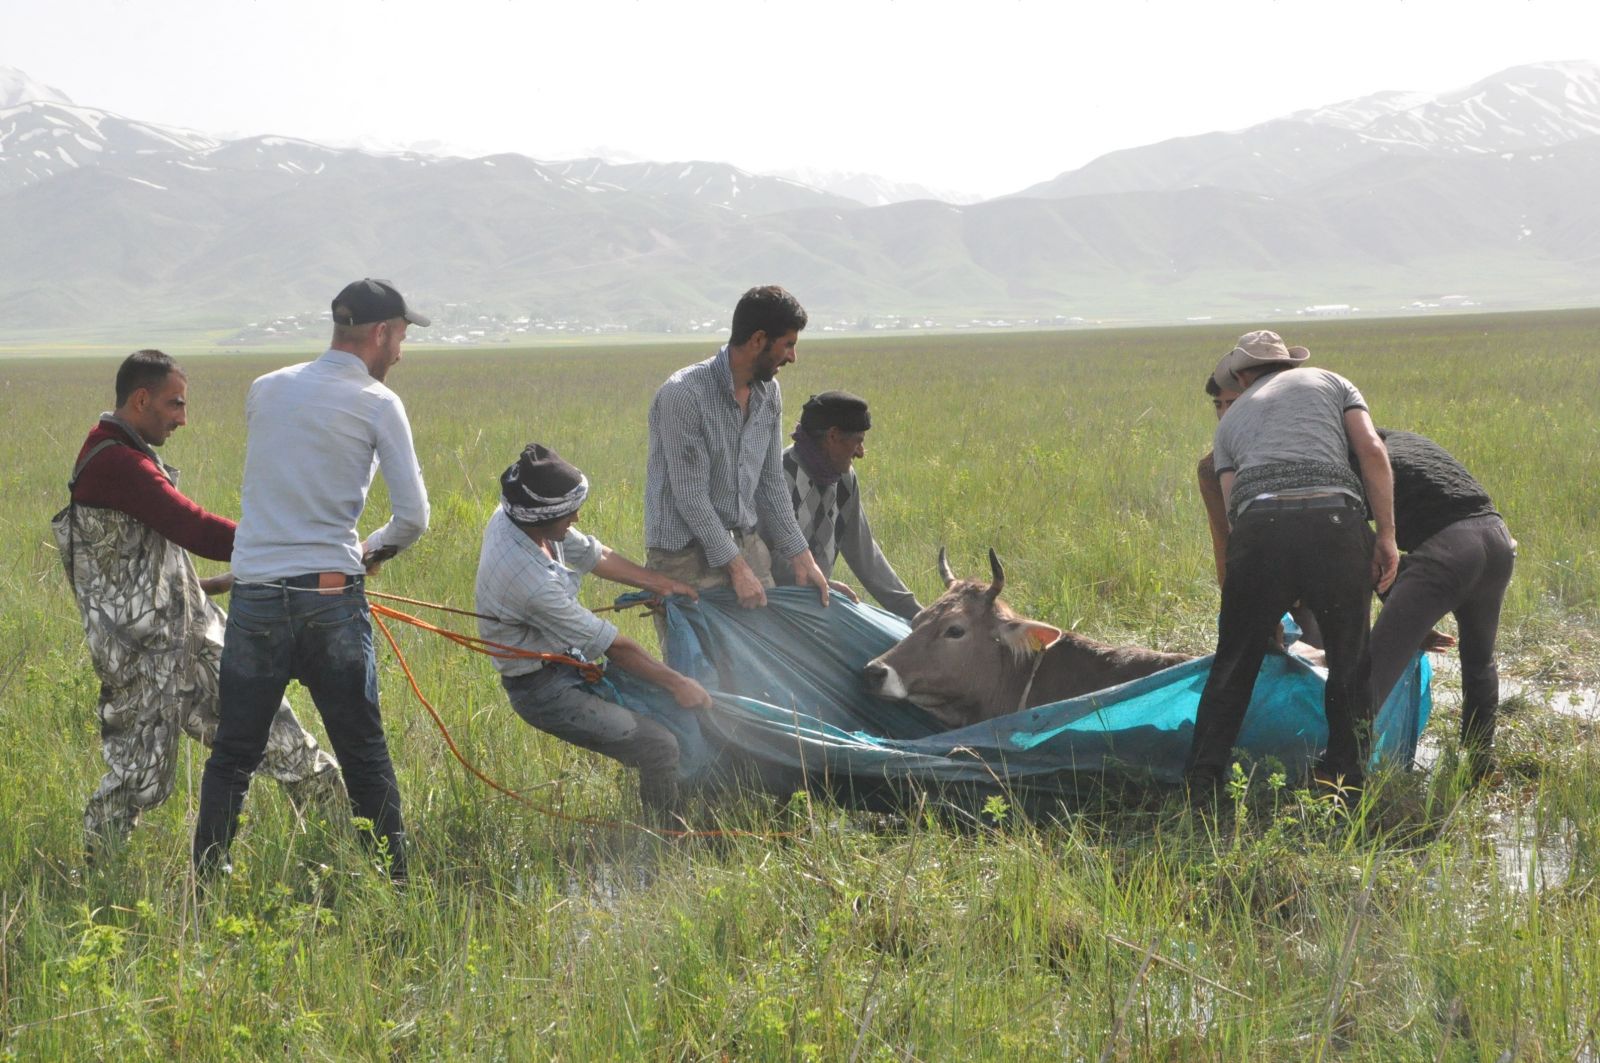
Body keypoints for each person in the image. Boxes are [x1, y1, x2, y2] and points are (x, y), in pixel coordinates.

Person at [52, 350, 341, 857]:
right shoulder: (118, 462)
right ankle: (95, 877)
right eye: (175, 404)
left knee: (284, 739)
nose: (183, 418)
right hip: (145, 658)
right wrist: (297, 546)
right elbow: (194, 526)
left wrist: (209, 583)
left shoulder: (121, 453)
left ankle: (345, 846)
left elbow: (135, 562)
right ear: (141, 399)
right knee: (137, 779)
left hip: (191, 637)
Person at [193, 279, 431, 880]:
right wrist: (370, 551)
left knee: (233, 759)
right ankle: (393, 884)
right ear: (380, 333)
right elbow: (413, 518)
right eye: (401, 336)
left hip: (256, 600)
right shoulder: (379, 402)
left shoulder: (264, 390)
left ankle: (206, 885)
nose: (400, 351)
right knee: (364, 755)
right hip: (330, 598)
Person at [1198, 377, 1516, 776]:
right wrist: (1412, 614)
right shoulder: (1403, 441)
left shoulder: (1349, 460)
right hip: (1496, 540)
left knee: (1369, 676)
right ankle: (1481, 760)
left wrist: (1407, 614)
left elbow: (1366, 555)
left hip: (1446, 554)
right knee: (1479, 660)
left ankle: (1336, 774)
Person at [1185, 330, 1398, 803]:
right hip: (1336, 520)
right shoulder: (1333, 382)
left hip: (1260, 526)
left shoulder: (1229, 422)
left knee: (1234, 663)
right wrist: (1385, 534)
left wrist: (1267, 584)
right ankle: (1344, 779)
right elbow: (1372, 452)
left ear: (1240, 377)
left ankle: (1202, 782)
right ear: (1291, 365)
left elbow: (1234, 510)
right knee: (1350, 661)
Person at [476, 444, 712, 822]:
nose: (577, 517)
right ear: (543, 515)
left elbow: (594, 555)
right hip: (545, 691)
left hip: (570, 664)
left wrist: (660, 583)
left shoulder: (523, 518)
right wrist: (677, 682)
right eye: (570, 512)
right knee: (660, 745)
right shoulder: (528, 580)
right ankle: (666, 835)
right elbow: (614, 647)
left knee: (667, 721)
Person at [644, 285, 830, 609]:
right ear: (758, 340)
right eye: (788, 345)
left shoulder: (769, 394)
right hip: (684, 559)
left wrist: (802, 557)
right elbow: (690, 496)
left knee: (765, 652)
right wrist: (736, 568)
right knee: (697, 660)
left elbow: (770, 482)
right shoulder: (684, 395)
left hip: (746, 544)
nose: (793, 357)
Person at [774, 391, 922, 621]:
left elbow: (865, 556)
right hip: (773, 608)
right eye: (858, 442)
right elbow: (757, 556)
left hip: (818, 604)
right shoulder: (778, 476)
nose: (861, 453)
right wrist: (820, 585)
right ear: (833, 436)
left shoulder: (844, 480)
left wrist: (918, 615)